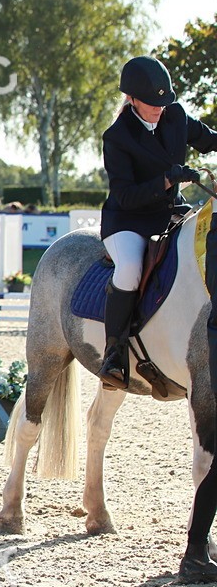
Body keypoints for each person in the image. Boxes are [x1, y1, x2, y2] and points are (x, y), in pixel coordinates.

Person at [98, 55, 217, 389]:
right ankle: (114, 353)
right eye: (151, 104)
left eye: (163, 103)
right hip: (128, 221)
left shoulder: (175, 115)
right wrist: (166, 180)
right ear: (132, 100)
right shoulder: (117, 136)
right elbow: (125, 195)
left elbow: (209, 139)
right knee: (130, 269)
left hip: (170, 214)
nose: (158, 109)